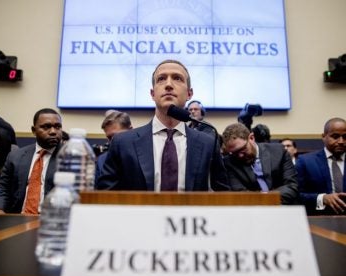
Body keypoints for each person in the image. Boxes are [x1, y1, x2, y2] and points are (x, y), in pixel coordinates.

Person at [97, 59, 230, 191]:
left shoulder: (207, 143)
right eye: (161, 79)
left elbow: (224, 196)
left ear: (189, 93)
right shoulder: (123, 143)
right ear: (152, 94)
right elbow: (105, 196)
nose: (168, 85)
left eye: (177, 78)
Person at [0, 108, 63, 214]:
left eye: (57, 127)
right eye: (46, 127)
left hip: (52, 220)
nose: (53, 131)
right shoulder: (16, 155)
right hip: (17, 218)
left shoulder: (69, 158)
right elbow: (2, 188)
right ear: (33, 130)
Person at [222, 122, 298, 205]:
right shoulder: (229, 162)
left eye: (242, 149)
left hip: (284, 207)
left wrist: (265, 198)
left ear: (251, 138)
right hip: (253, 212)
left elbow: (291, 186)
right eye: (234, 153)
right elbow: (240, 194)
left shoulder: (278, 151)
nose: (240, 155)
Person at [296, 117, 346, 215]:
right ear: (323, 137)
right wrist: (322, 198)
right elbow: (296, 195)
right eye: (335, 136)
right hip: (319, 219)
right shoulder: (306, 161)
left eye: (345, 137)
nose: (341, 141)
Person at [95, 109, 132, 182]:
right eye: (109, 137)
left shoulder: (145, 154)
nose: (113, 141)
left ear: (130, 130)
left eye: (116, 136)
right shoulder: (102, 160)